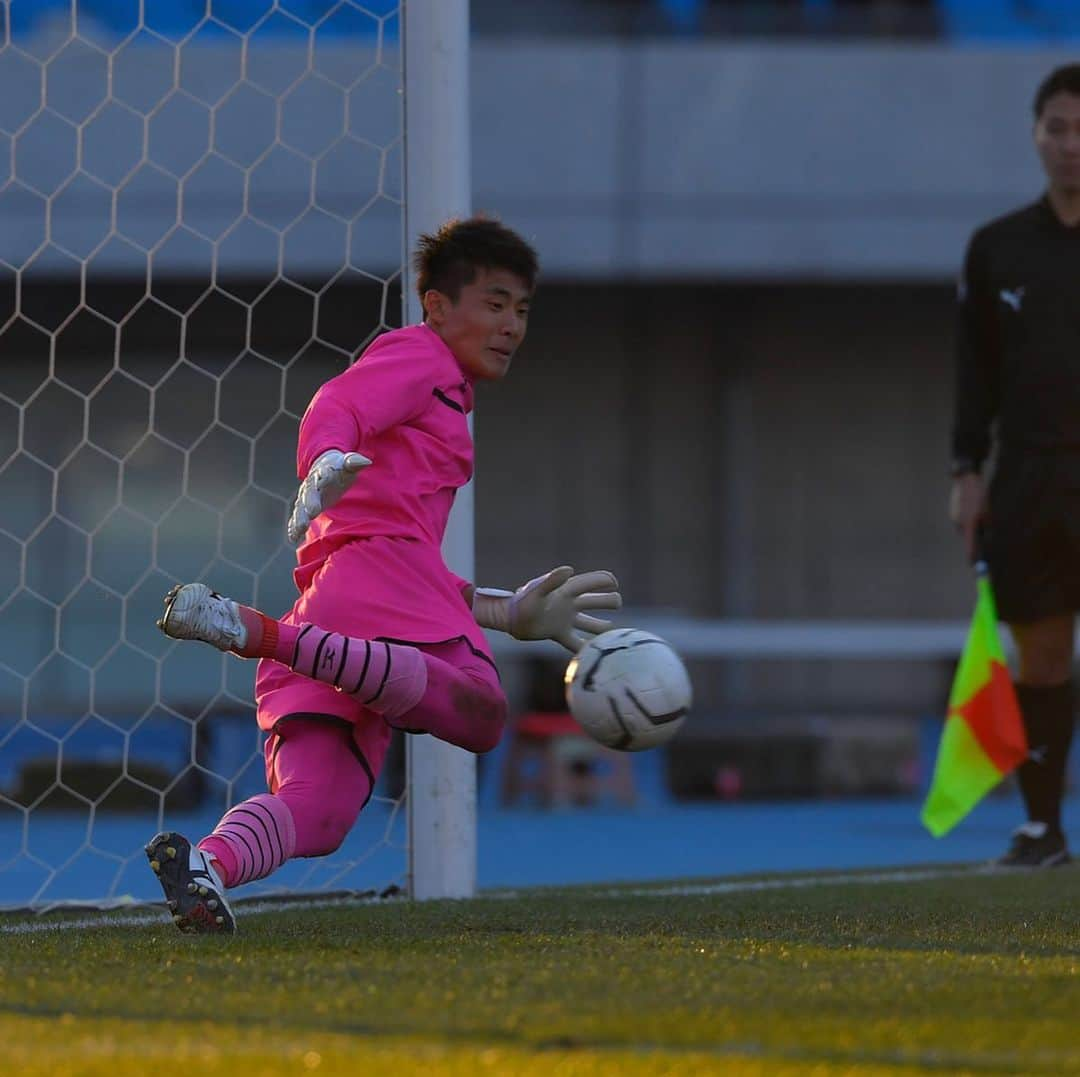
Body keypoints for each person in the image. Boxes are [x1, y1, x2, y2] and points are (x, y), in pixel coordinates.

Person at [145, 217, 622, 932]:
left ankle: (208, 865)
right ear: (436, 305)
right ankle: (254, 631)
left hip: (338, 603)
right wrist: (327, 455)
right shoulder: (424, 358)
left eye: (521, 309)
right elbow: (338, 405)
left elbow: (416, 575)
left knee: (321, 808)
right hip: (371, 588)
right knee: (484, 710)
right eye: (494, 304)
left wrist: (508, 613)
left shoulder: (445, 396)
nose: (511, 326)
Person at [949, 64, 1080, 869]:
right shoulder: (998, 248)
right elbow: (976, 373)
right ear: (1036, 136)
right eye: (1058, 128)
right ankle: (1042, 827)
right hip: (1031, 476)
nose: (1072, 144)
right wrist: (966, 470)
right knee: (1043, 652)